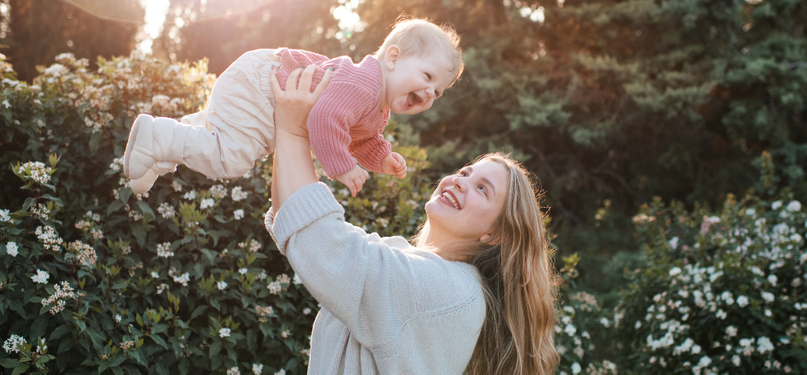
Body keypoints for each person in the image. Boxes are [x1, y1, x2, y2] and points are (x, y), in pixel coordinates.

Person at [266, 65, 560, 373]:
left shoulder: (449, 290)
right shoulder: (408, 261)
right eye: (464, 173)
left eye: (482, 189)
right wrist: (286, 129)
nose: (460, 181)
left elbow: (323, 241)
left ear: (495, 234)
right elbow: (295, 219)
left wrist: (292, 130)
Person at [122, 18, 463, 197]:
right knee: (232, 158)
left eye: (439, 91)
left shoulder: (377, 108)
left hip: (262, 80)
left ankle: (162, 147)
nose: (431, 92)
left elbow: (358, 139)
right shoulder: (364, 84)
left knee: (219, 137)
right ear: (393, 58)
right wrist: (342, 167)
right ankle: (158, 135)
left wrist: (383, 158)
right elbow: (326, 119)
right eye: (428, 76)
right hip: (263, 86)